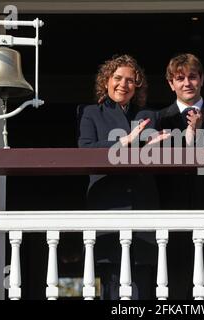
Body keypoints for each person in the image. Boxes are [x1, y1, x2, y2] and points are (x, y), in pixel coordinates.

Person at [78, 54, 168, 299]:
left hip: (143, 207)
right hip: (107, 205)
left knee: (141, 285)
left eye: (130, 80)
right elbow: (85, 151)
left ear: (137, 85)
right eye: (117, 78)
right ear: (106, 81)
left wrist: (155, 148)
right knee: (112, 285)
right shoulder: (91, 113)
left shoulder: (148, 115)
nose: (123, 84)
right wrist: (124, 141)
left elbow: (152, 156)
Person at [156, 53, 204, 299]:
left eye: (192, 77)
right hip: (172, 215)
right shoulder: (160, 118)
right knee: (173, 289)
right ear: (171, 83)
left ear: (202, 79)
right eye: (180, 78)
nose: (187, 83)